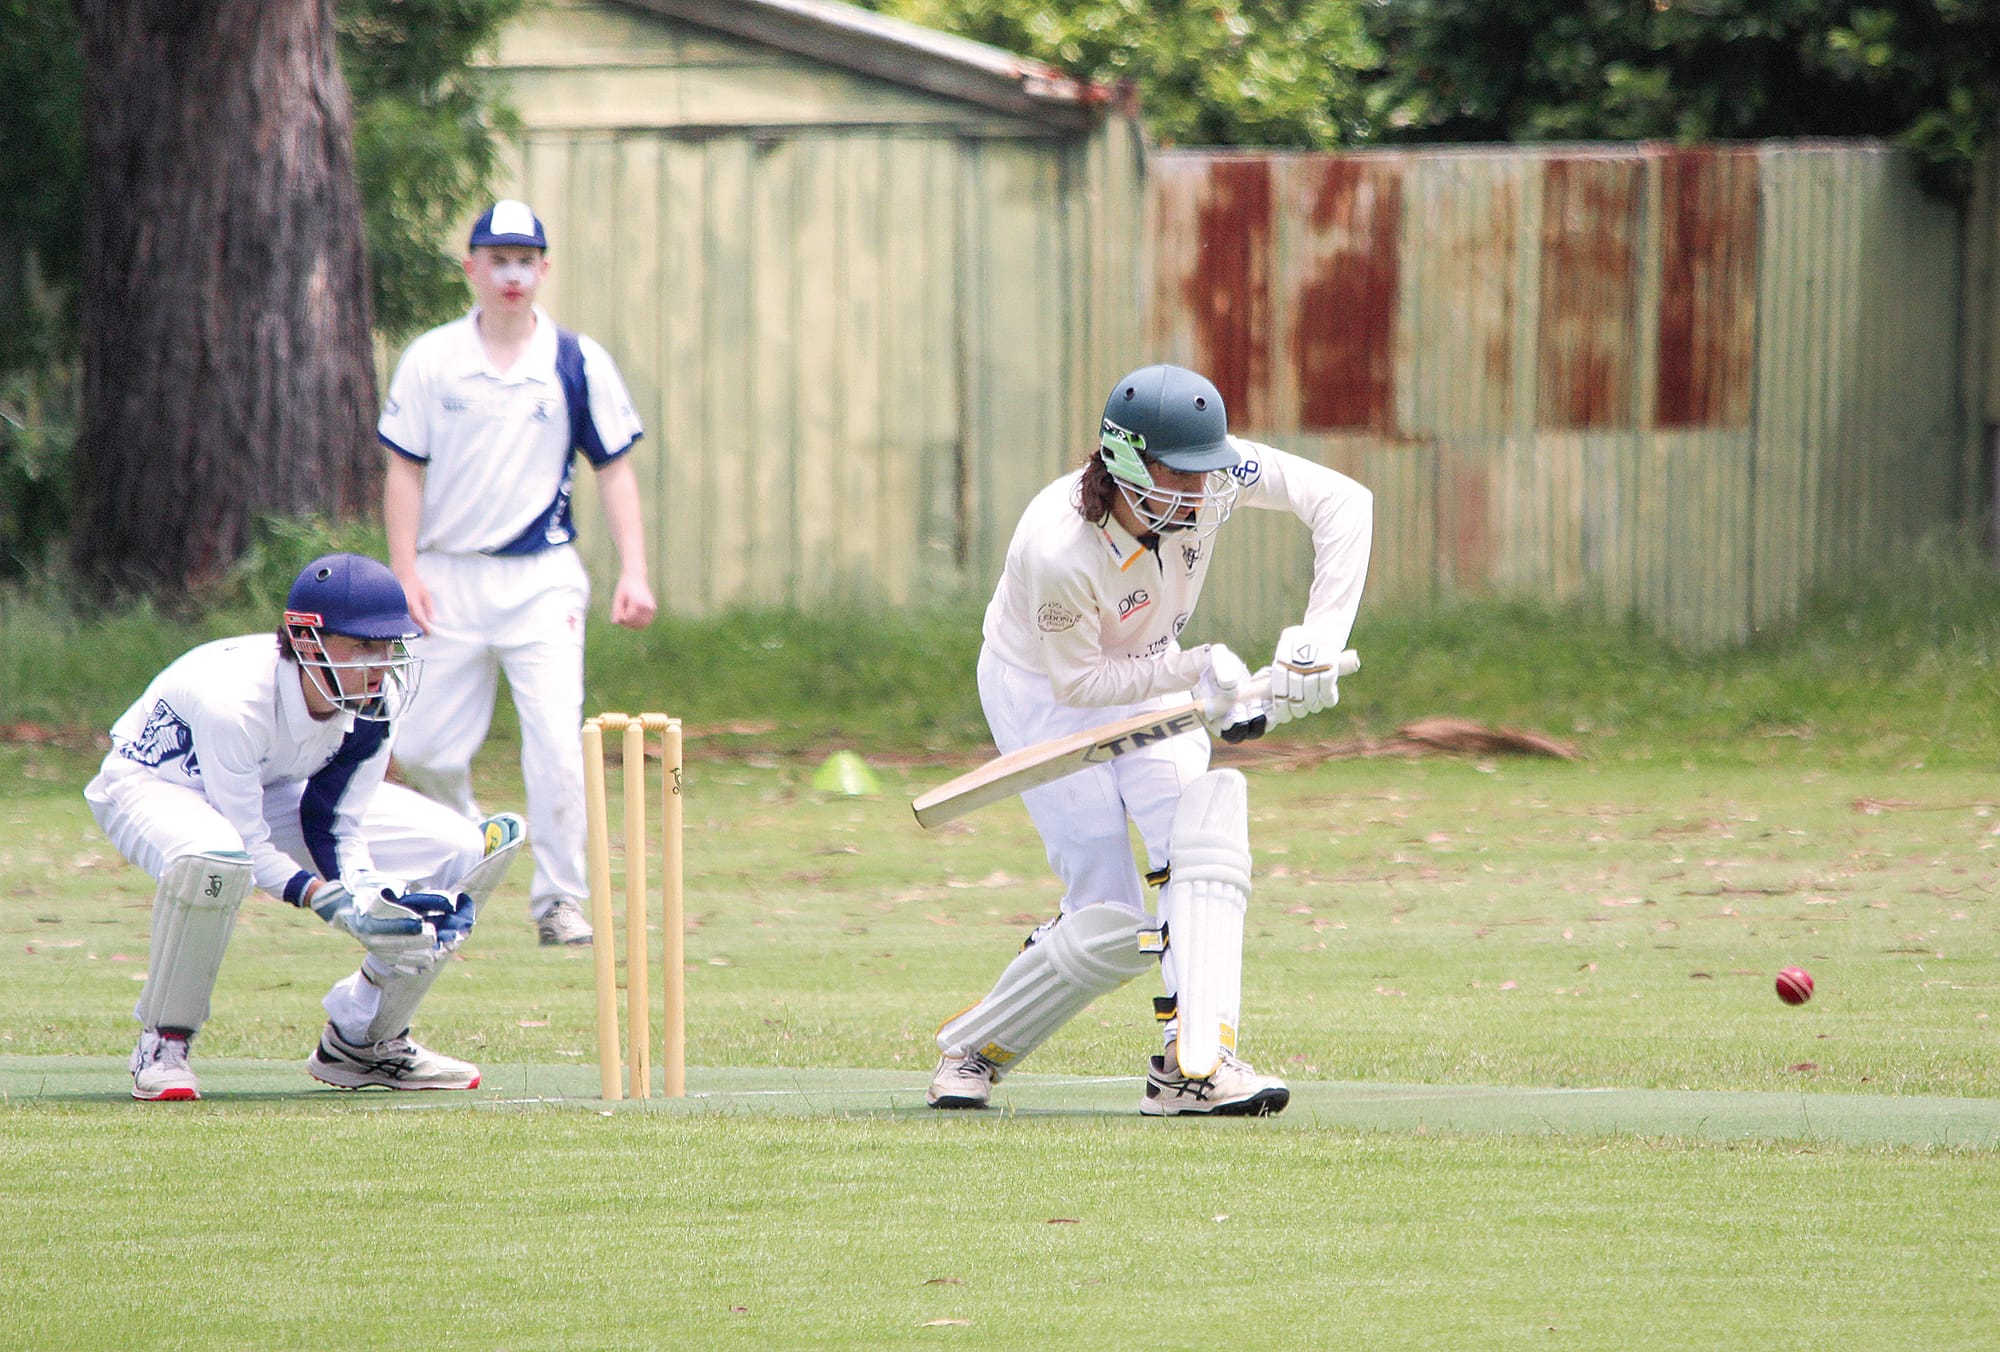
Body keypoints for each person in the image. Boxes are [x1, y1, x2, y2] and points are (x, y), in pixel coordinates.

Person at [926, 364, 1373, 1116]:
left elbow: (1342, 502)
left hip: (1153, 668)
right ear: (1129, 463)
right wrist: (1200, 670)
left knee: (1197, 847)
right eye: (1182, 474)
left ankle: (1193, 1070)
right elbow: (1083, 687)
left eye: (1209, 469)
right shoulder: (1057, 548)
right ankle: (974, 1049)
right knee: (1107, 916)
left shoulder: (1208, 478)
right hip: (1041, 690)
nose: (1203, 492)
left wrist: (1316, 642)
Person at [84, 553, 526, 1101]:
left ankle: (363, 1041)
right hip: (155, 786)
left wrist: (368, 900)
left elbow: (334, 819)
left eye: (388, 646)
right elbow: (247, 845)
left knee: (459, 846)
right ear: (307, 641)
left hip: (267, 787)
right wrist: (327, 900)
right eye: (363, 646)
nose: (379, 664)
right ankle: (163, 1042)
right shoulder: (235, 702)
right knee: (214, 860)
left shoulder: (374, 699)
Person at [379, 199, 657, 947]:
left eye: (524, 261)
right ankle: (474, 851)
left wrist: (635, 571)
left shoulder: (575, 360)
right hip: (448, 574)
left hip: (541, 580)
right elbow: (403, 471)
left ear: (544, 269)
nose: (511, 274)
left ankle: (560, 900)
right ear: (470, 267)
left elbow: (616, 472)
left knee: (558, 747)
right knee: (428, 750)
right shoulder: (432, 359)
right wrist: (404, 571)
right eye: (496, 260)